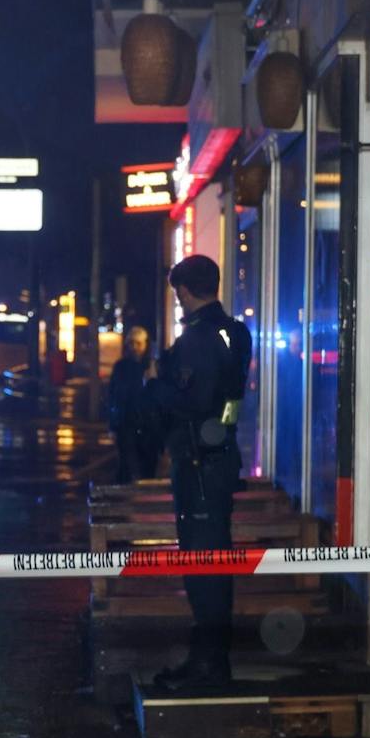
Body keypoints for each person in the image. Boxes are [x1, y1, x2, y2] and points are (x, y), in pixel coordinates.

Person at [145, 256, 253, 691]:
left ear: (185, 292)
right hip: (220, 456)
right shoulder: (236, 332)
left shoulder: (198, 339)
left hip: (198, 463)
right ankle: (210, 658)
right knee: (214, 561)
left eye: (178, 293)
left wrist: (156, 385)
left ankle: (209, 664)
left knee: (202, 563)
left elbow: (193, 400)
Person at [107, 326, 157, 484]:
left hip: (147, 423)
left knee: (147, 465)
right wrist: (112, 425)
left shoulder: (151, 366)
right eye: (131, 343)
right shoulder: (121, 366)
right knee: (126, 464)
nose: (134, 347)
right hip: (126, 422)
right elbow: (113, 395)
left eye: (138, 343)